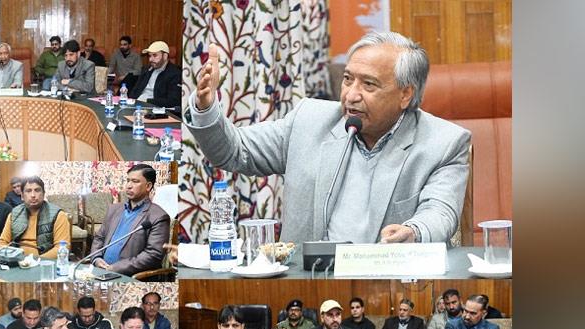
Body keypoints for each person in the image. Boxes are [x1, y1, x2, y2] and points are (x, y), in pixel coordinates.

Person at [188, 32, 469, 245]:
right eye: (348, 79)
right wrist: (205, 107)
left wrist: (414, 231)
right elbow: (233, 151)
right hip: (307, 284)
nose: (351, 95)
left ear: (405, 94)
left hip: (385, 284)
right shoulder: (309, 121)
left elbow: (440, 212)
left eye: (368, 84)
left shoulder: (444, 144)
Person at [90, 165, 171, 275]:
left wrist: (116, 268)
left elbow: (153, 254)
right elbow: (99, 238)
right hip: (100, 271)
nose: (128, 186)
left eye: (135, 181)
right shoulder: (113, 209)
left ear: (148, 186)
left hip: (130, 276)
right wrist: (96, 258)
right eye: (127, 181)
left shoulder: (158, 216)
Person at [0, 176, 72, 259]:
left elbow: (61, 248)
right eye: (28, 191)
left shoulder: (58, 215)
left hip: (44, 265)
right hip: (17, 262)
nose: (33, 195)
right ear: (22, 196)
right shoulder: (14, 214)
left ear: (43, 194)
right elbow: (2, 243)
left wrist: (35, 261)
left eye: (37, 190)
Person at [128, 41, 181, 109]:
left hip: (155, 109)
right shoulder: (146, 70)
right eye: (150, 56)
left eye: (155, 55)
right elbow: (135, 91)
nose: (150, 59)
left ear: (165, 56)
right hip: (136, 106)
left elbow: (173, 101)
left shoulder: (175, 74)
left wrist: (147, 101)